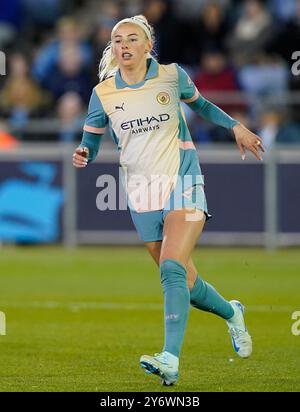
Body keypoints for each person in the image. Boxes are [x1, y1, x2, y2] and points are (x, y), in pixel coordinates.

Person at [72, 15, 265, 386]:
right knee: (184, 282)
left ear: (148, 46)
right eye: (117, 40)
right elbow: (92, 142)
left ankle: (170, 360)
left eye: (131, 39)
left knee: (171, 267)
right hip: (140, 193)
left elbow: (203, 106)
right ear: (111, 48)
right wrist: (84, 153)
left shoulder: (171, 75)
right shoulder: (104, 93)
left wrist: (236, 127)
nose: (123, 46)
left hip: (183, 180)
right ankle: (231, 312)